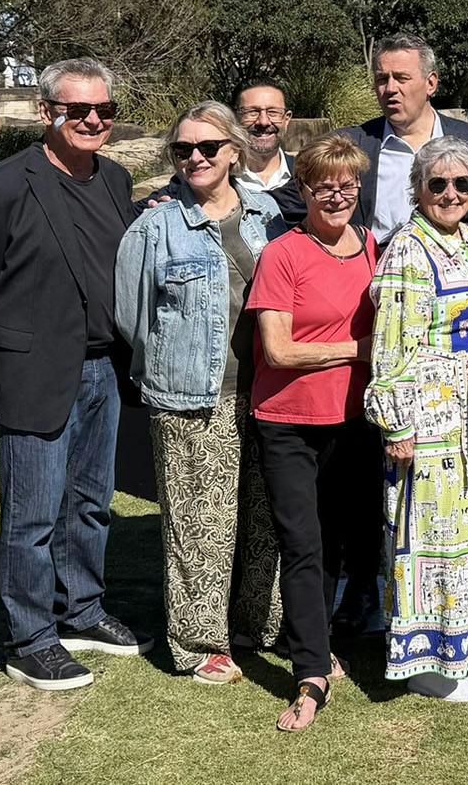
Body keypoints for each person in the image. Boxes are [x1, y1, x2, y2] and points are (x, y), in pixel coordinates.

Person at [0, 58, 151, 690]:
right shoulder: (3, 188)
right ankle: (30, 638)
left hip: (103, 372)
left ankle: (81, 611)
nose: (92, 120)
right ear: (47, 113)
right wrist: (2, 365)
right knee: (32, 517)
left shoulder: (115, 180)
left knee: (90, 505)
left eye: (104, 111)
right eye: (77, 109)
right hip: (34, 372)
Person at [114, 101, 286, 684]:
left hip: (269, 394)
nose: (195, 158)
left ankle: (261, 624)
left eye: (208, 148)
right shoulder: (153, 228)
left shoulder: (269, 214)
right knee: (198, 527)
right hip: (194, 398)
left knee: (266, 518)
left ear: (235, 151)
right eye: (182, 149)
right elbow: (132, 318)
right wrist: (171, 370)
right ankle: (197, 642)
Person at [365, 136, 468, 701]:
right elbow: (391, 346)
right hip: (431, 427)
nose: (451, 193)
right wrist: (398, 426)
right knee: (431, 537)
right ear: (417, 190)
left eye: (461, 184)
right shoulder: (409, 250)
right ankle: (429, 660)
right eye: (438, 184)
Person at [246, 135, 381, 732]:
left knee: (338, 542)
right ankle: (310, 675)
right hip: (289, 422)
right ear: (303, 190)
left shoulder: (371, 246)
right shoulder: (283, 254)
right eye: (324, 184)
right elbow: (277, 349)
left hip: (352, 422)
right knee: (301, 543)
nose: (337, 194)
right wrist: (360, 349)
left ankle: (320, 643)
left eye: (347, 184)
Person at [335, 33, 468, 247]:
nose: (390, 89)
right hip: (377, 274)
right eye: (382, 79)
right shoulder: (351, 145)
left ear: (431, 83)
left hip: (460, 274)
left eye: (401, 78)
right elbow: (295, 202)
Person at [149, 79, 305, 225]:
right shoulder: (202, 178)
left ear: (286, 119)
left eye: (273, 112)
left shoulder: (308, 177)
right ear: (235, 117)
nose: (263, 121)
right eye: (252, 112)